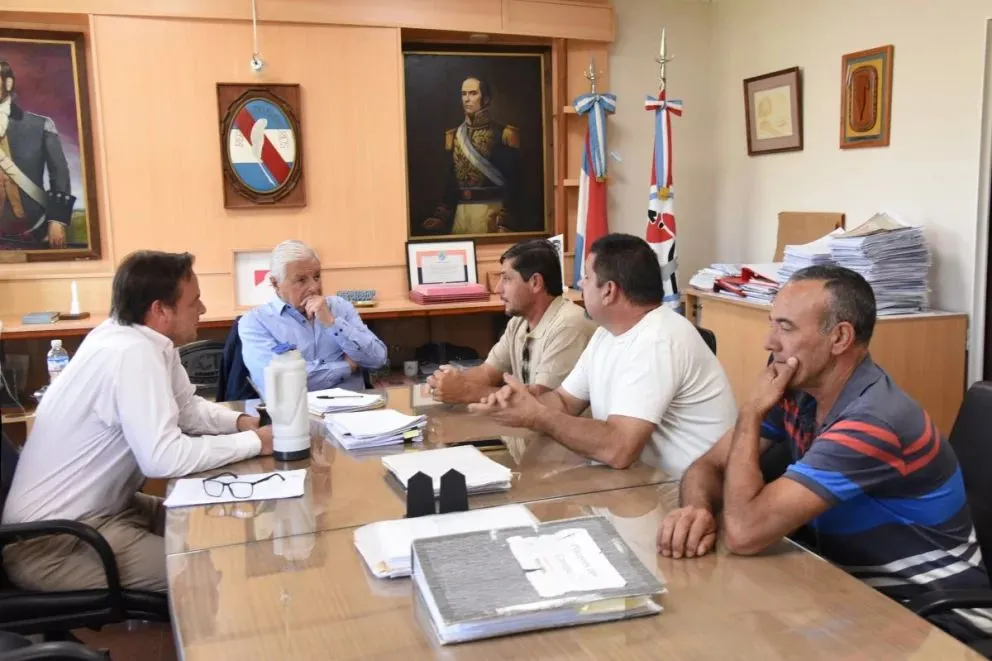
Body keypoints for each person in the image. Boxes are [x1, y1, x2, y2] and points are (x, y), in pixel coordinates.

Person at [656, 265, 992, 642]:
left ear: (840, 337)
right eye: (772, 323)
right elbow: (709, 464)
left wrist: (751, 413)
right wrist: (697, 508)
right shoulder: (800, 389)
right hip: (848, 593)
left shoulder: (874, 420)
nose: (770, 342)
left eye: (786, 327)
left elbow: (743, 532)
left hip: (937, 623)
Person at [1, 250, 274, 593]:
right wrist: (256, 442)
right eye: (195, 302)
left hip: (107, 511)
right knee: (205, 572)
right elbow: (162, 457)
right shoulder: (130, 353)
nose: (202, 310)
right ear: (160, 310)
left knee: (212, 521)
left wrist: (239, 423)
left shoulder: (144, 340)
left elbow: (187, 409)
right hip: (53, 543)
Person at [469, 234, 736, 475]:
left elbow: (619, 449)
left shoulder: (658, 339)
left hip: (689, 496)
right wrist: (522, 402)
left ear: (609, 291)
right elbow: (563, 401)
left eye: (586, 277)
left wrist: (537, 416)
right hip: (642, 481)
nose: (579, 284)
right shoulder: (606, 333)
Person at [427, 239, 595, 404]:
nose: (497, 288)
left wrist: (466, 392)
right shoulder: (518, 322)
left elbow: (544, 401)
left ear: (535, 283)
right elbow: (488, 373)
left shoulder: (570, 324)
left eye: (506, 279)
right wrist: (451, 381)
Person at [239, 240, 388, 396]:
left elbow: (378, 359)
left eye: (317, 276)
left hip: (352, 412)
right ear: (276, 284)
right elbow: (281, 384)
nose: (314, 287)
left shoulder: (340, 307)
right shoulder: (255, 322)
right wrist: (347, 366)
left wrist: (332, 323)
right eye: (301, 280)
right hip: (294, 415)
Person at [421, 76, 521, 235]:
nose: (467, 99)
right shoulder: (453, 135)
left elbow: (516, 181)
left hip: (491, 212)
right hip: (461, 213)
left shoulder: (503, 134)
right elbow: (450, 179)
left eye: (473, 93)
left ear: (486, 99)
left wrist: (506, 221)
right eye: (463, 94)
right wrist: (441, 216)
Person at [0, 60, 74, 248]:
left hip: (33, 230)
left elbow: (60, 174)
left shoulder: (40, 126)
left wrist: (57, 220)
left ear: (8, 83)